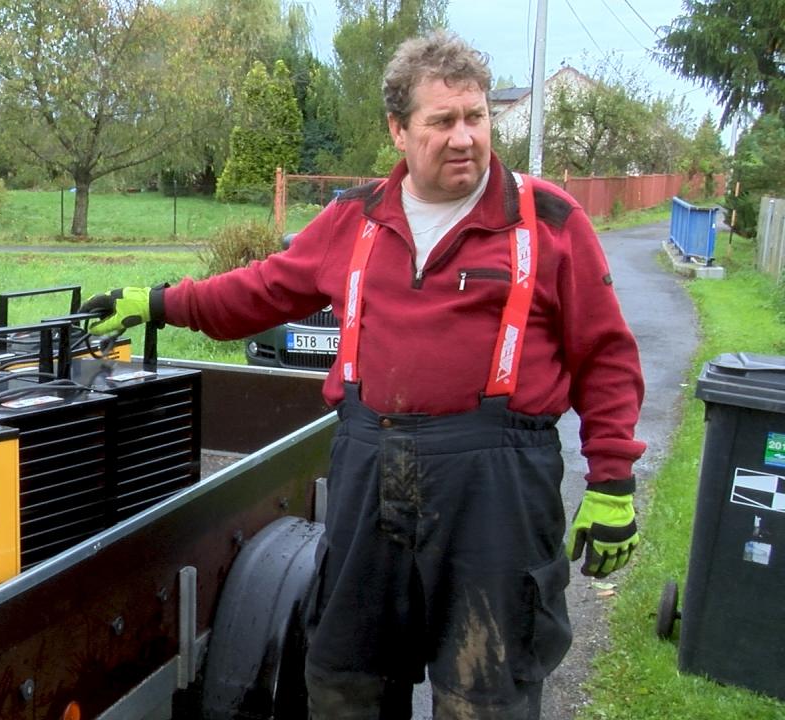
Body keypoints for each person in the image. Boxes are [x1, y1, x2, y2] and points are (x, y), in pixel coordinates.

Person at [81, 30, 644, 720]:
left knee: (485, 696)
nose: (464, 137)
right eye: (442, 121)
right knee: (345, 683)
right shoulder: (356, 218)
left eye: (476, 117)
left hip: (496, 487)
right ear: (398, 131)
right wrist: (162, 303)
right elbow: (260, 290)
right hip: (369, 469)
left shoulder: (547, 220)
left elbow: (605, 354)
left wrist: (612, 480)